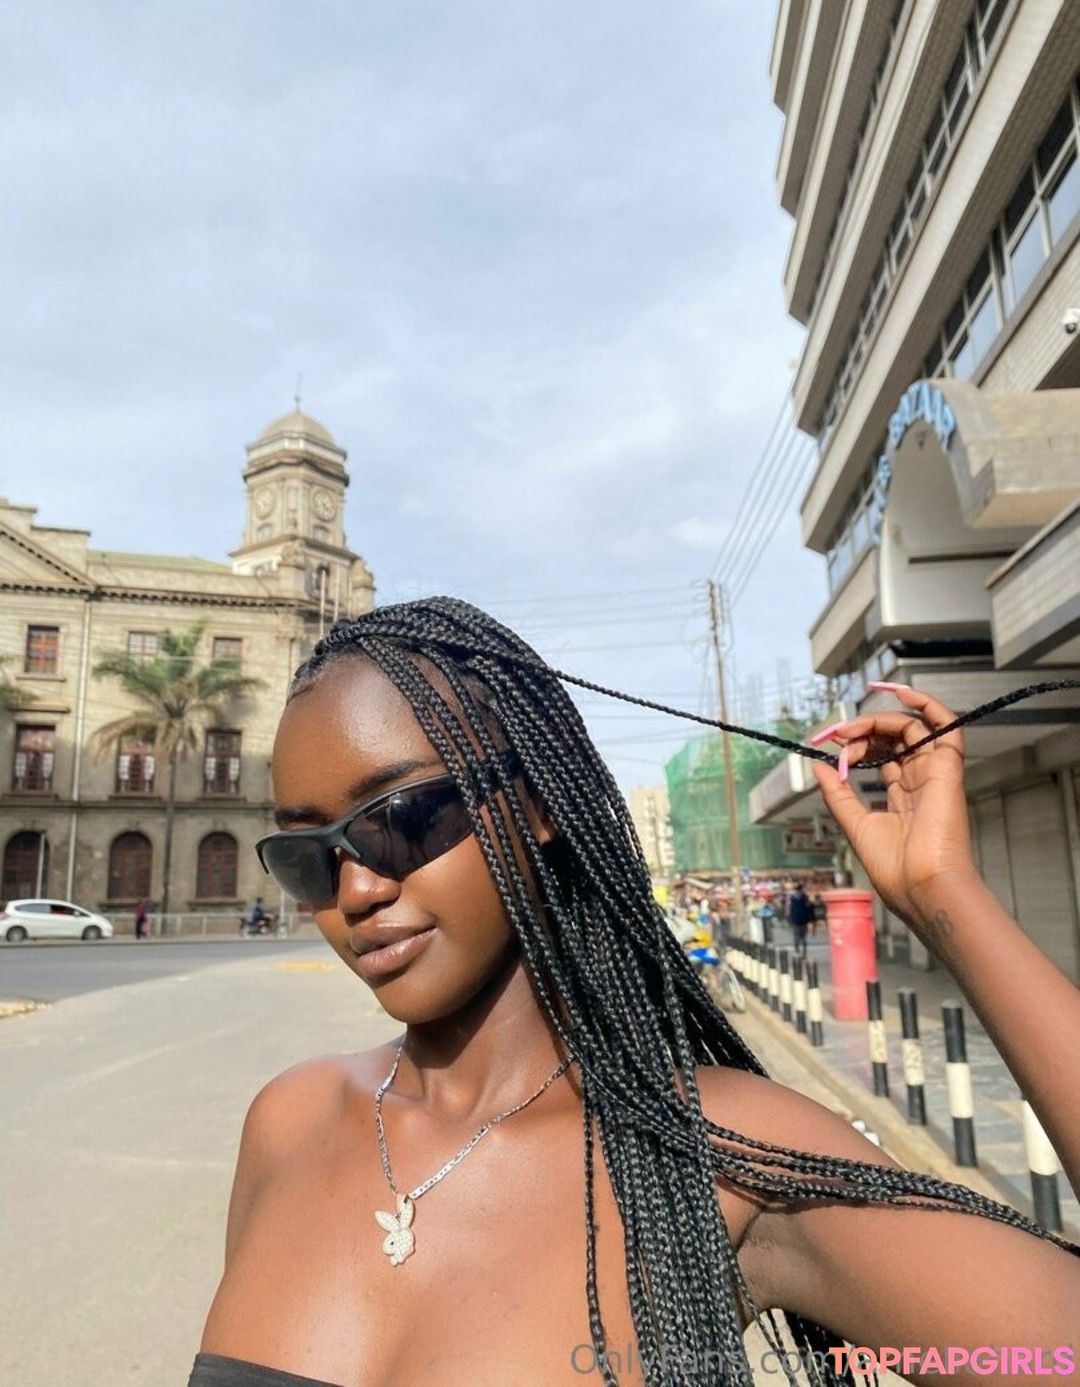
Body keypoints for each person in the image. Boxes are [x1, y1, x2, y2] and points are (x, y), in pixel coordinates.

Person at [191, 598, 1079, 1387]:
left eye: (401, 820)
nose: (355, 891)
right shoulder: (289, 1123)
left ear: (538, 803)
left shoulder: (715, 1154)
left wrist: (942, 895)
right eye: (308, 856)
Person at [786, 882, 812, 955]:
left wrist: (789, 918)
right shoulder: (805, 897)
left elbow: (789, 909)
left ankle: (796, 950)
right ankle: (804, 950)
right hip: (804, 919)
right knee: (804, 936)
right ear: (801, 889)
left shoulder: (792, 898)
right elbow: (808, 907)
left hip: (795, 919)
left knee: (796, 935)